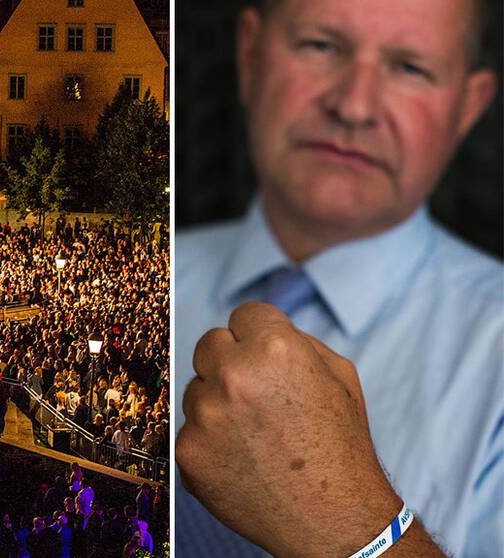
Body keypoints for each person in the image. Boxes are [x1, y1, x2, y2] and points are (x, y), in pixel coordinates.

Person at [174, 0, 501, 556]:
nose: (353, 106)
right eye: (321, 46)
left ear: (467, 108)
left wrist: (348, 524)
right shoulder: (171, 267)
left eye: (410, 68)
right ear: (249, 54)